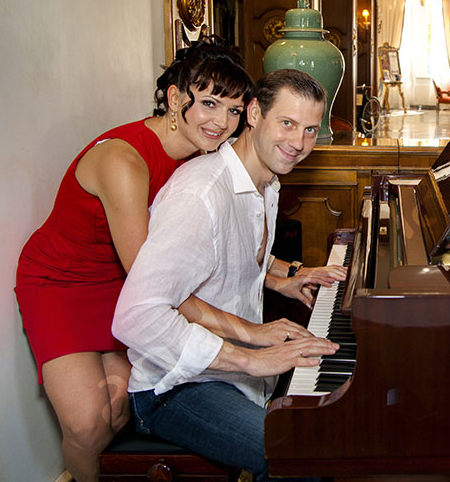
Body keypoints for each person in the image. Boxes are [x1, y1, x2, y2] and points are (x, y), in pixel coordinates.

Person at [15, 38, 256, 482]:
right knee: (88, 422)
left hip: (121, 279)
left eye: (234, 110)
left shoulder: (200, 158)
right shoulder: (124, 161)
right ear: (175, 98)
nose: (222, 122)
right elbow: (152, 284)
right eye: (208, 104)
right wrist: (248, 336)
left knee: (120, 404)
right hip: (62, 282)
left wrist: (283, 274)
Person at [112, 69, 346, 482]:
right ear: (255, 113)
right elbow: (137, 315)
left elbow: (230, 259)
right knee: (299, 455)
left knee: (331, 427)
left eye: (310, 130)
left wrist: (282, 278)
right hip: (176, 388)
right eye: (287, 124)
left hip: (232, 373)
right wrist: (249, 357)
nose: (298, 143)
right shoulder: (200, 195)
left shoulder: (266, 182)